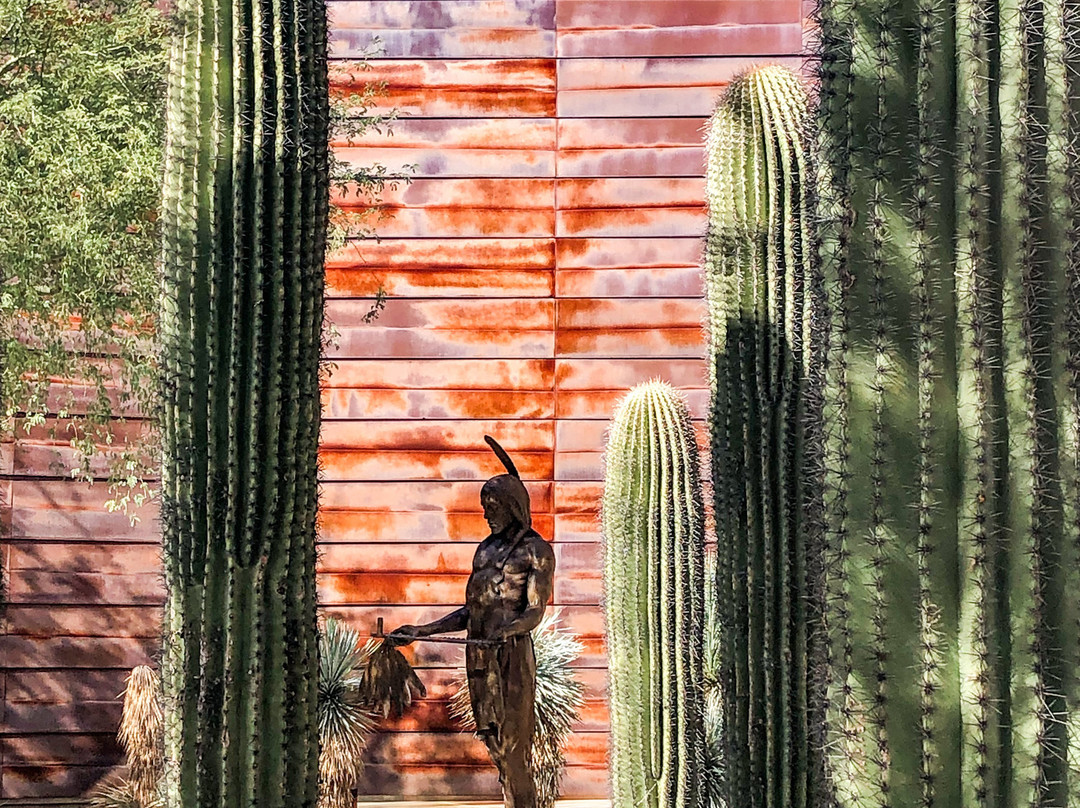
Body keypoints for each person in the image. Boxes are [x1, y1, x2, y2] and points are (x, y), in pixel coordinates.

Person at [387, 436, 556, 808]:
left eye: (492, 506)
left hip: (511, 657)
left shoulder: (535, 551)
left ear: (512, 506)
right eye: (484, 507)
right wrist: (422, 631)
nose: (486, 514)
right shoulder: (485, 550)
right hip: (479, 658)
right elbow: (470, 612)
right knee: (495, 743)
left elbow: (534, 610)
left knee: (514, 747)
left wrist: (507, 630)